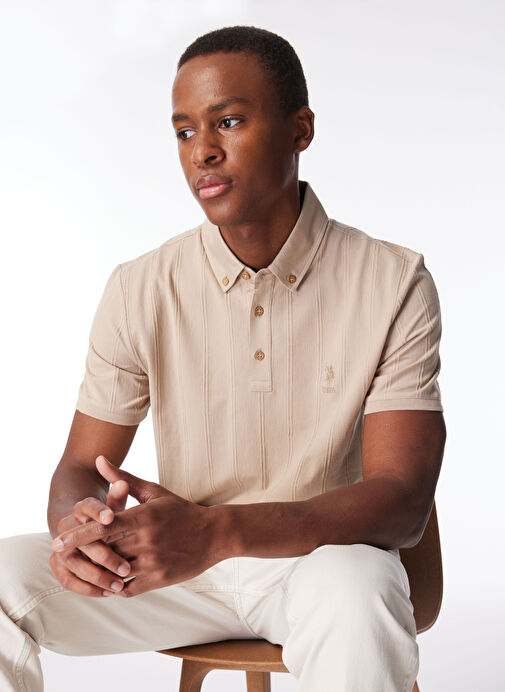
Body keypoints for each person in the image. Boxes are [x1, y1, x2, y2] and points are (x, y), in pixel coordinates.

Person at [0, 25, 446, 691]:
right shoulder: (140, 287)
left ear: (300, 130)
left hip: (319, 564)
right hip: (179, 569)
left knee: (358, 591)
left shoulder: (392, 281)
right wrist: (79, 528)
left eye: (228, 122)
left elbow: (402, 503)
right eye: (184, 132)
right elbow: (79, 467)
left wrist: (216, 531)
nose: (202, 151)